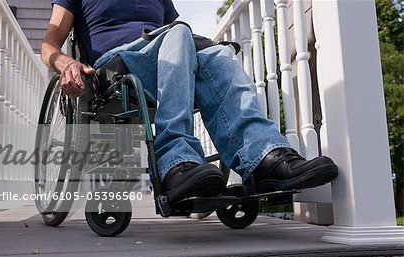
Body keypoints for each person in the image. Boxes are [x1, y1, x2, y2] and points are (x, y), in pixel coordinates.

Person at [41, 0, 338, 202]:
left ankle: (264, 158)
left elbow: (178, 37)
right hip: (117, 64)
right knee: (180, 32)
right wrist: (67, 64)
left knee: (220, 54)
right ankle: (175, 161)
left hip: (170, 56)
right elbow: (49, 44)